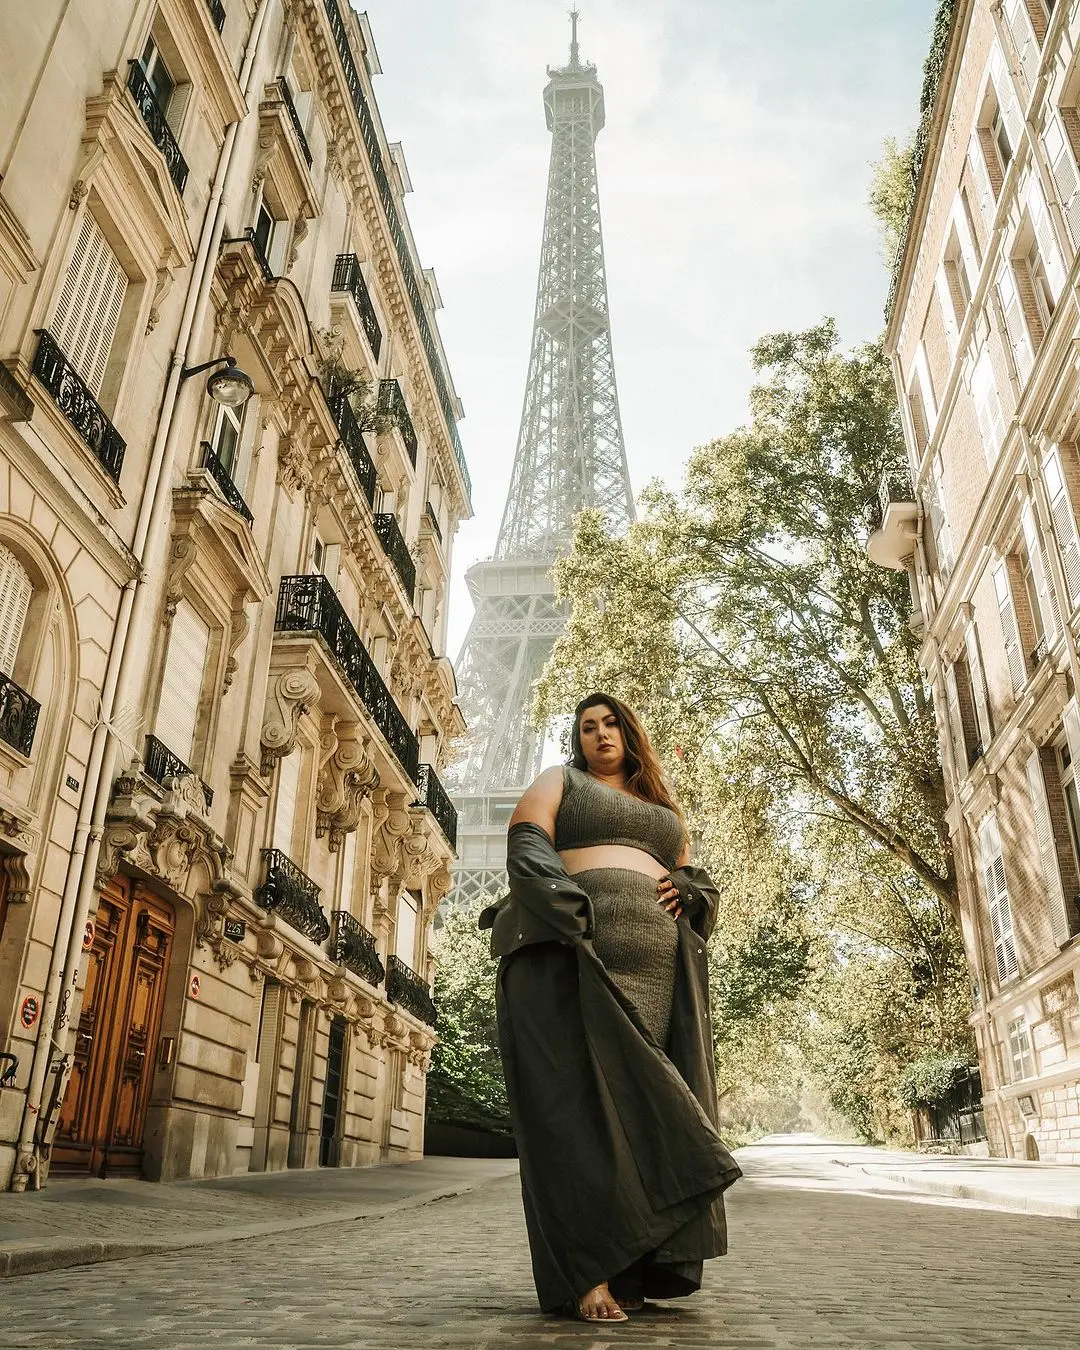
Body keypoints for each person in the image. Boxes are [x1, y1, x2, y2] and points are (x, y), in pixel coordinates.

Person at [480, 692, 741, 1323]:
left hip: (657, 972)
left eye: (611, 724)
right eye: (587, 727)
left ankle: (635, 1262)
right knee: (582, 1116)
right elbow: (527, 842)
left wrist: (688, 889)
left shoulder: (661, 807)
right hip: (576, 957)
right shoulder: (560, 781)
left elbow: (691, 876)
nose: (600, 734)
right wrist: (571, 905)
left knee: (644, 1112)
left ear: (629, 732)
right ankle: (586, 1273)